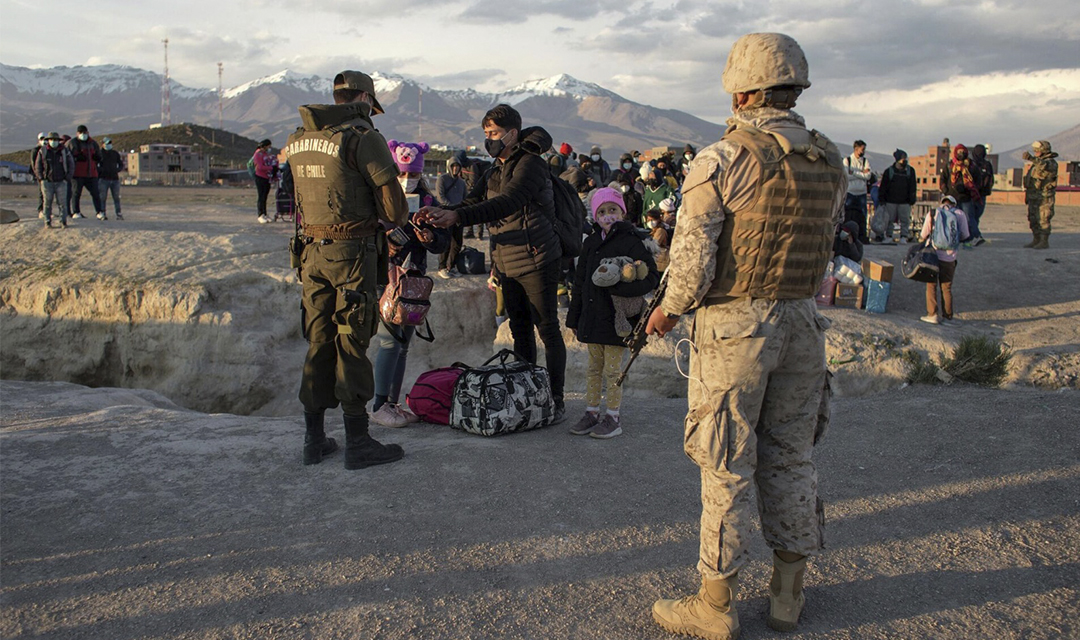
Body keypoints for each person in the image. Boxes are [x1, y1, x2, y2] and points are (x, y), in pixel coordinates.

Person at [645, 33, 846, 640]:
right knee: (791, 456)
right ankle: (787, 597)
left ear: (745, 90)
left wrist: (666, 311)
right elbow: (828, 241)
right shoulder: (828, 157)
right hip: (804, 326)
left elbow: (691, 262)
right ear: (794, 87)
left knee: (725, 461)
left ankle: (715, 603)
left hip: (737, 328)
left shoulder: (722, 158)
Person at [287, 69, 410, 469]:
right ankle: (358, 443)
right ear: (362, 98)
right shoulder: (362, 138)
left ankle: (314, 440)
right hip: (352, 255)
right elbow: (395, 210)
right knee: (351, 341)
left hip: (310, 254)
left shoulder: (298, 139)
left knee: (318, 340)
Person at [418, 104, 568, 423]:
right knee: (519, 329)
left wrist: (459, 215)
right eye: (486, 134)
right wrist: (441, 212)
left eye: (495, 133)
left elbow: (507, 203)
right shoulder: (494, 169)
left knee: (547, 328)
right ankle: (530, 393)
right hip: (506, 259)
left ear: (513, 134)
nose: (489, 139)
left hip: (537, 256)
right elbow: (475, 201)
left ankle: (556, 398)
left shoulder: (531, 165)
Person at [566, 188, 660, 439]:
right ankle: (591, 412)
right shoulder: (591, 242)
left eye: (613, 210)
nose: (608, 215)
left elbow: (651, 277)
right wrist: (574, 318)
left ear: (622, 212)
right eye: (602, 211)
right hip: (593, 317)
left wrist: (622, 288)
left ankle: (613, 417)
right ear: (595, 215)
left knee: (613, 371)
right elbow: (580, 281)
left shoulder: (633, 240)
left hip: (618, 319)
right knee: (593, 368)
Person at [371, 140, 450, 427]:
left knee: (403, 344)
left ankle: (391, 402)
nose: (407, 181)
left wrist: (430, 238)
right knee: (390, 341)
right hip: (389, 280)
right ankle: (380, 404)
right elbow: (370, 241)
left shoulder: (429, 204)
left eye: (413, 175)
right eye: (402, 174)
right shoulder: (380, 202)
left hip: (414, 283)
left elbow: (444, 244)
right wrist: (388, 240)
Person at [919, 195, 970, 325]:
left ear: (941, 202)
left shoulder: (933, 213)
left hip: (933, 255)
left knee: (931, 284)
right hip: (950, 257)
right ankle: (948, 317)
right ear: (954, 203)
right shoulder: (960, 214)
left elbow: (924, 234)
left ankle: (933, 314)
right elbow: (965, 235)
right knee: (946, 287)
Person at [938, 144, 981, 247]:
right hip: (952, 198)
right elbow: (943, 179)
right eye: (959, 152)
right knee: (951, 218)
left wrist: (970, 188)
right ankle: (953, 238)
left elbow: (978, 180)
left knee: (968, 218)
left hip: (966, 197)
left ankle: (974, 237)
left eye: (963, 152)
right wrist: (946, 190)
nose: (961, 154)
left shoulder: (971, 166)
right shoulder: (950, 166)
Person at [874, 149, 917, 243]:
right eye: (902, 158)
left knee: (905, 220)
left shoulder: (910, 171)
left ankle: (904, 236)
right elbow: (883, 186)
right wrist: (882, 199)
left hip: (905, 201)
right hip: (891, 200)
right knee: (889, 219)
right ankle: (889, 235)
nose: (904, 160)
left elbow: (913, 186)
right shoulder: (889, 171)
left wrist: (912, 199)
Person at [435, 154, 467, 278]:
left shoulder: (462, 183)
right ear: (449, 167)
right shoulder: (442, 179)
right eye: (453, 166)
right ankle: (442, 267)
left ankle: (451, 266)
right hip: (445, 213)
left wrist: (462, 210)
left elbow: (465, 198)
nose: (455, 169)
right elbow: (440, 197)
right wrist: (452, 207)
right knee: (446, 242)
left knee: (457, 242)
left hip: (458, 215)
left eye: (457, 166)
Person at [35, 132, 75, 229]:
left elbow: (71, 164)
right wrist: (41, 178)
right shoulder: (43, 151)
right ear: (48, 140)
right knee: (47, 203)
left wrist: (68, 177)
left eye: (56, 140)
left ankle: (63, 221)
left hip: (61, 181)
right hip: (47, 181)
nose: (54, 142)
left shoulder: (64, 151)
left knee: (62, 203)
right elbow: (38, 165)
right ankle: (47, 221)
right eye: (52, 140)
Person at [1022, 140, 1057, 249]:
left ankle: (1044, 241)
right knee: (1033, 218)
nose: (1035, 152)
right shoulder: (1035, 164)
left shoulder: (1050, 163)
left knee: (1043, 219)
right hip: (1033, 196)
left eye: (1037, 151)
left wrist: (1031, 158)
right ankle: (1036, 239)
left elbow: (1044, 165)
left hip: (1044, 197)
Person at [67, 125, 104, 220]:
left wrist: (98, 158)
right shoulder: (72, 143)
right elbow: (67, 157)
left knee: (95, 193)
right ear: (77, 133)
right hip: (77, 174)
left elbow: (99, 155)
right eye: (81, 133)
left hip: (91, 173)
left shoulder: (93, 143)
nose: (83, 134)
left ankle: (99, 212)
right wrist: (75, 158)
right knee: (76, 193)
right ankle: (76, 212)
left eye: (85, 132)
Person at [842, 140, 871, 243]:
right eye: (862, 150)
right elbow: (846, 176)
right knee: (847, 214)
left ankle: (862, 236)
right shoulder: (847, 161)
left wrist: (853, 172)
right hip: (850, 192)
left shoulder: (865, 161)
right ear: (856, 149)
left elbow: (868, 176)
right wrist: (861, 173)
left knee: (863, 216)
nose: (863, 152)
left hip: (861, 193)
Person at [968, 144, 995, 246]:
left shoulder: (974, 165)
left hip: (975, 195)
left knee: (972, 217)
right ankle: (974, 236)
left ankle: (975, 236)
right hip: (978, 195)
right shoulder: (986, 165)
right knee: (973, 217)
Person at [97, 137, 125, 220]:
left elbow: (120, 163)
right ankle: (102, 213)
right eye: (107, 143)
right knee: (102, 197)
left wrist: (117, 170)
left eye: (110, 143)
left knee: (116, 197)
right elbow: (96, 165)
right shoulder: (99, 153)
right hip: (103, 179)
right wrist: (101, 171)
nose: (109, 145)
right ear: (102, 144)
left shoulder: (115, 153)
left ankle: (118, 213)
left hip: (114, 178)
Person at [252, 139, 278, 223]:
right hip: (260, 177)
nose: (269, 148)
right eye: (268, 146)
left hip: (266, 177)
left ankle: (265, 214)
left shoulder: (265, 154)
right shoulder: (258, 154)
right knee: (261, 196)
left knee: (265, 196)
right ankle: (260, 214)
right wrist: (271, 168)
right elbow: (260, 167)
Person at [32, 133, 45, 219]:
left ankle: (46, 211)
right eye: (42, 138)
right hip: (40, 175)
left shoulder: (48, 149)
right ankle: (41, 210)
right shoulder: (36, 150)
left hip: (48, 175)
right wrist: (37, 174)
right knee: (41, 193)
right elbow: (34, 163)